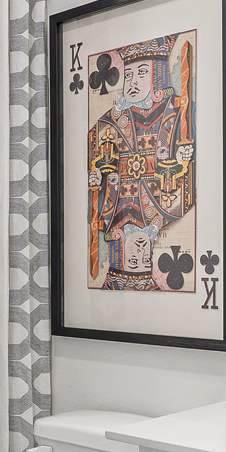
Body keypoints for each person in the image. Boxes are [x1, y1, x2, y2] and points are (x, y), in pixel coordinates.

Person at [87, 34, 196, 291]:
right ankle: (116, 274)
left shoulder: (175, 110)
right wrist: (95, 178)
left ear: (157, 76)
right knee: (124, 238)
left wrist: (182, 161)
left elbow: (181, 178)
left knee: (140, 234)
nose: (133, 82)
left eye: (142, 73)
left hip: (152, 203)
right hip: (121, 204)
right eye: (129, 75)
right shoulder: (111, 120)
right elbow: (94, 156)